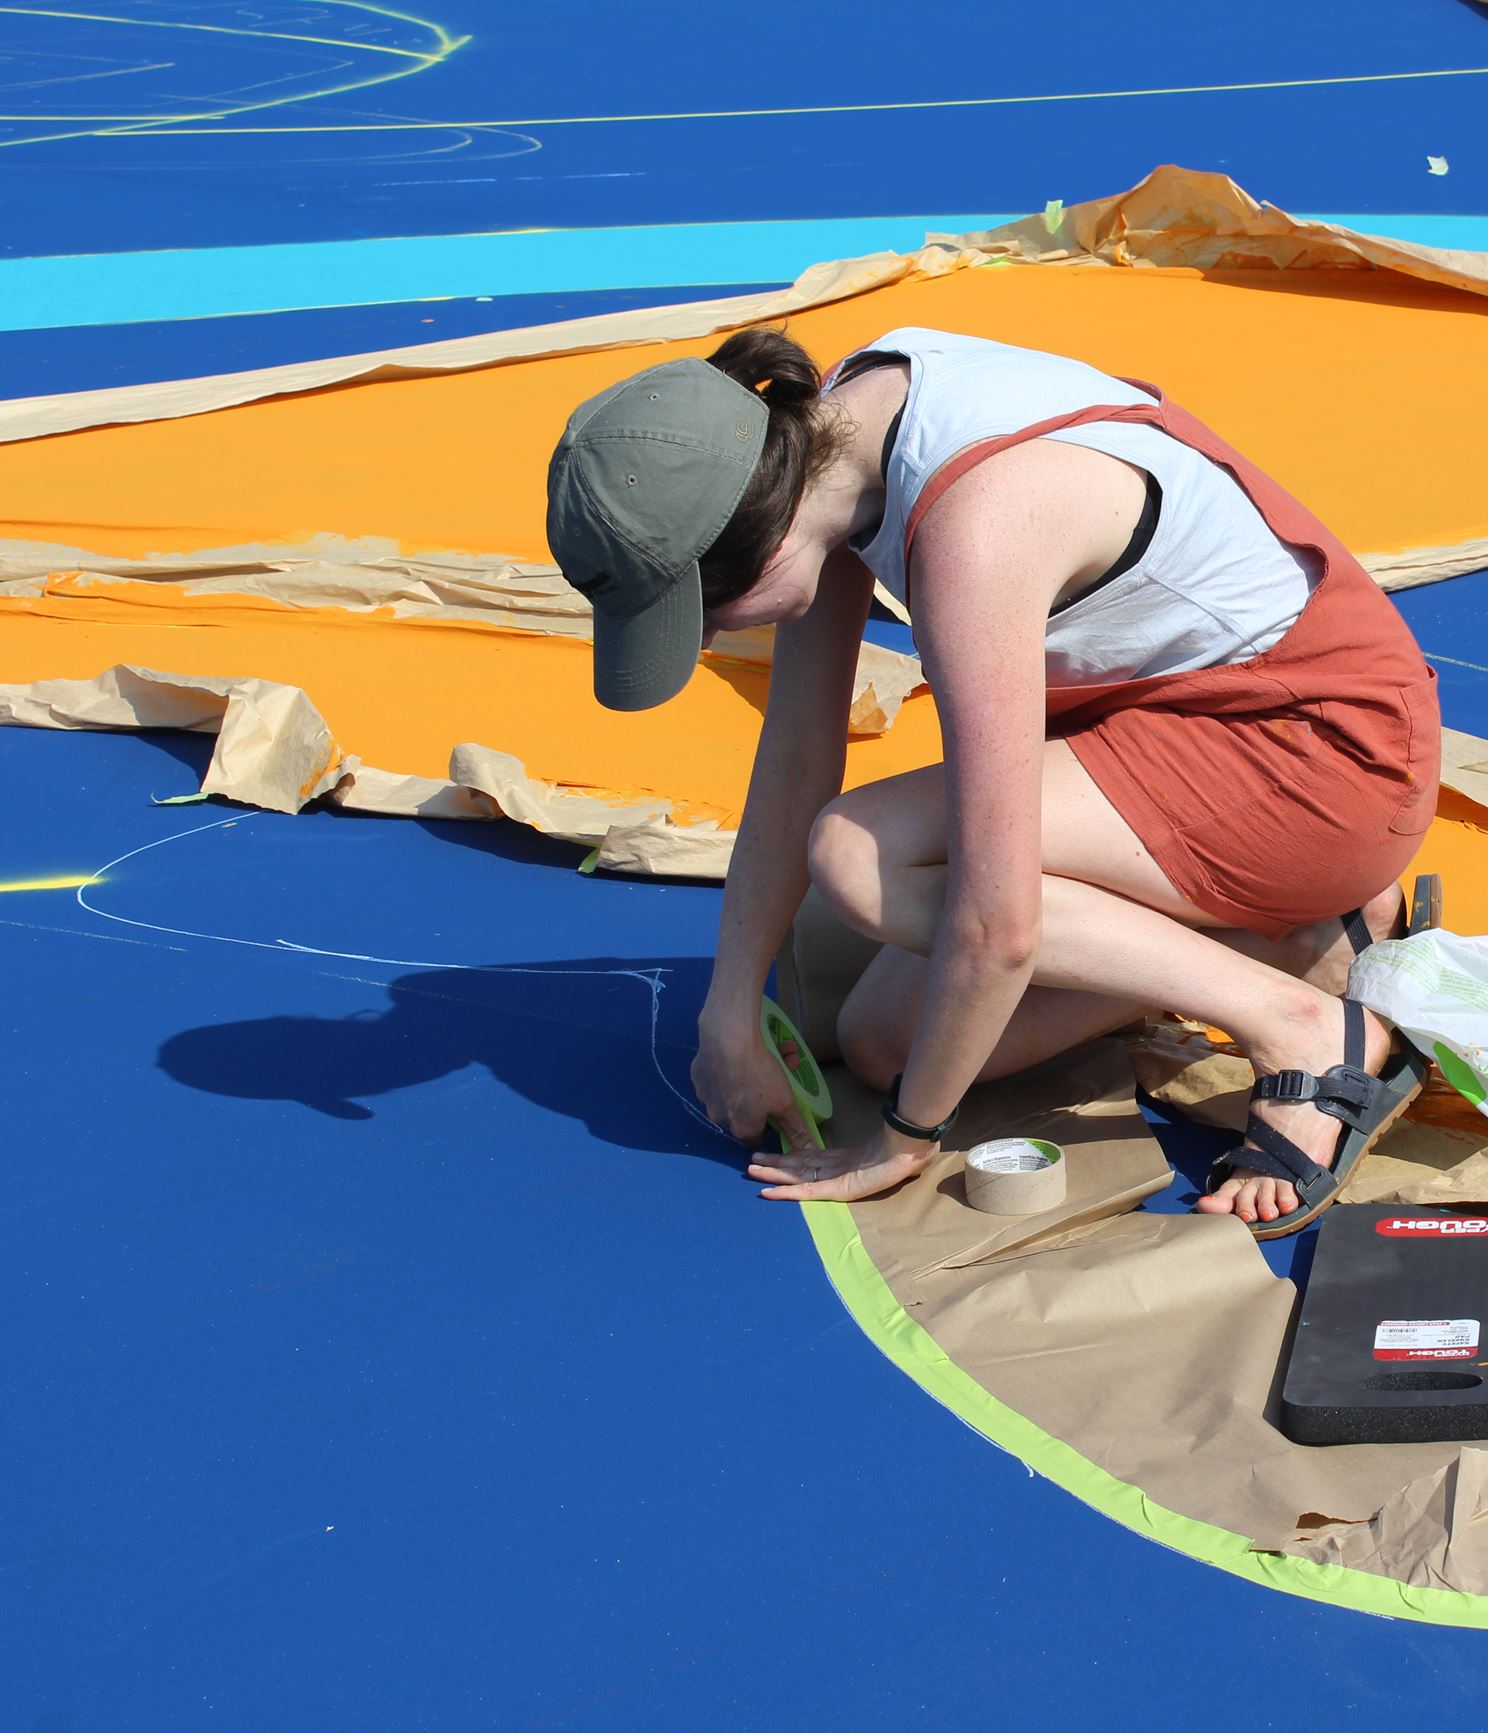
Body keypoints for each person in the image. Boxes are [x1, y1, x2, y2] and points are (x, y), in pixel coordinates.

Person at [544, 325, 1442, 1237]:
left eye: (696, 612)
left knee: (859, 858)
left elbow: (1000, 926)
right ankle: (1282, 934)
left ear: (762, 540)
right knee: (887, 1044)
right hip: (1183, 726)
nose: (698, 644)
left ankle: (1294, 1019)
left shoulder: (978, 525)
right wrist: (728, 1008)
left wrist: (904, 1140)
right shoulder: (823, 444)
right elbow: (797, 756)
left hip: (1321, 760)